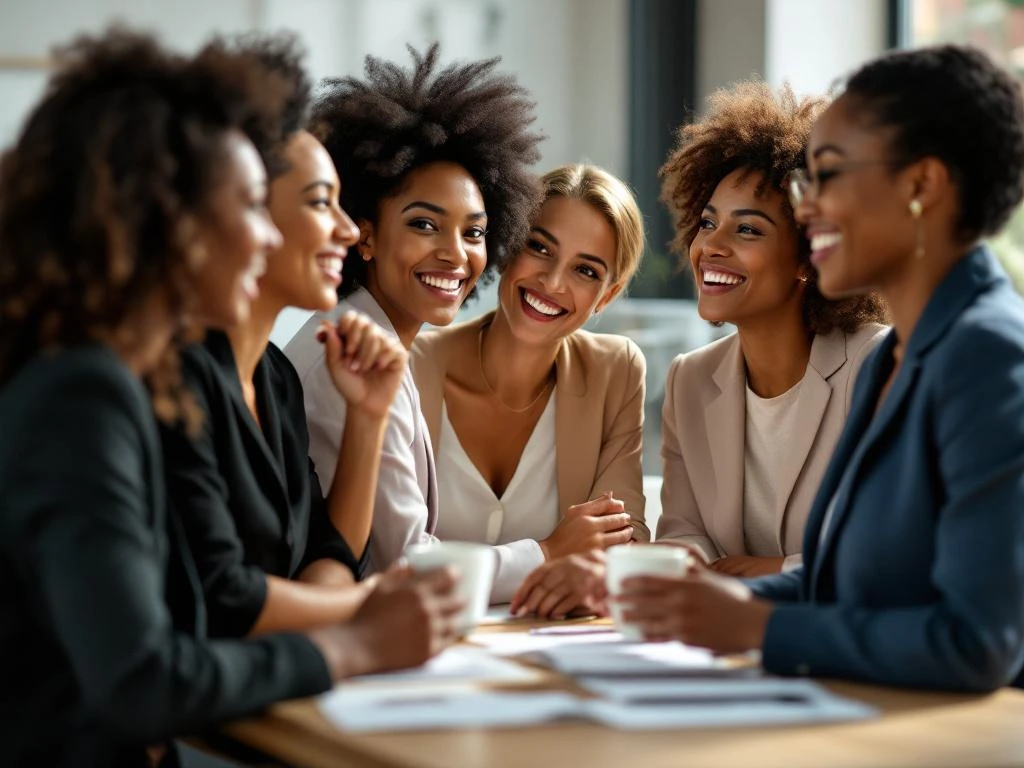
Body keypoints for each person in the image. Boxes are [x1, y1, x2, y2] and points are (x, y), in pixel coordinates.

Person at [0, 30, 460, 765]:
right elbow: (144, 678)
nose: (263, 234)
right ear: (171, 222)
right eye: (250, 206)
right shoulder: (80, 396)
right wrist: (355, 644)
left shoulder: (117, 383)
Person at [620, 45, 1024, 692]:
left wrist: (757, 628)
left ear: (921, 185)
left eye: (828, 175)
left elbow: (978, 642)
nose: (805, 209)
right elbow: (852, 583)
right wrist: (715, 604)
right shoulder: (899, 358)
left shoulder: (991, 355)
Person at [162, 36, 409, 639]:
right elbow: (224, 598)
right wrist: (370, 609)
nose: (349, 231)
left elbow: (326, 550)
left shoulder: (274, 373)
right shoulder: (170, 379)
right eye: (322, 204)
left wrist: (369, 416)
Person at [285, 45, 542, 574]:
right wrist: (548, 554)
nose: (455, 253)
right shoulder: (346, 353)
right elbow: (399, 559)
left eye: (473, 232)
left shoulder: (378, 337)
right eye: (425, 224)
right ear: (366, 234)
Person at [654, 82, 887, 577]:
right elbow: (681, 531)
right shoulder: (689, 380)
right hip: (723, 638)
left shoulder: (877, 366)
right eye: (708, 222)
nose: (710, 246)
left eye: (748, 229)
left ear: (809, 254)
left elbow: (892, 552)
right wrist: (690, 570)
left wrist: (773, 571)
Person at [413, 164, 647, 604]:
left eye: (587, 271)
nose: (553, 282)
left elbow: (620, 539)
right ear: (508, 245)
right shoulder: (412, 365)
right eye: (539, 248)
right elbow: (395, 557)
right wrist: (549, 554)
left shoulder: (615, 371)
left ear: (607, 297)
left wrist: (593, 573)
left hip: (544, 644)